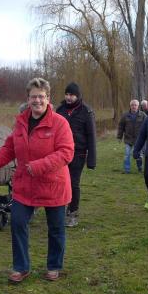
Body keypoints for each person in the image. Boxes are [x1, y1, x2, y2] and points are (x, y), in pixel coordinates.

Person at [0, 78, 74, 283]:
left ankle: (54, 266)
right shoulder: (21, 122)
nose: (37, 101)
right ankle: (21, 267)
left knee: (56, 228)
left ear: (48, 98)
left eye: (41, 96)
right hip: (25, 184)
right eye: (34, 97)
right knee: (17, 223)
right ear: (28, 98)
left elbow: (66, 152)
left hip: (54, 185)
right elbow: (9, 147)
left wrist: (40, 165)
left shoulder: (60, 123)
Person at [55, 82, 97, 227]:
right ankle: (59, 209)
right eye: (66, 94)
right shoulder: (60, 110)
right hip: (60, 153)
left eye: (71, 95)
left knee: (73, 184)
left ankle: (73, 213)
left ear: (78, 96)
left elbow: (91, 136)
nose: (68, 97)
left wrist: (91, 160)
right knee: (59, 182)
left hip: (78, 153)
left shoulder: (87, 112)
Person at [116, 99, 146, 173]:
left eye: (135, 105)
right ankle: (127, 170)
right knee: (127, 155)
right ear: (130, 106)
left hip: (139, 139)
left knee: (139, 155)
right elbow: (121, 126)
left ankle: (140, 168)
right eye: (132, 105)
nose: (134, 106)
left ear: (138, 106)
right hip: (128, 139)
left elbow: (147, 125)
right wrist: (119, 137)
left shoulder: (143, 115)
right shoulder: (125, 115)